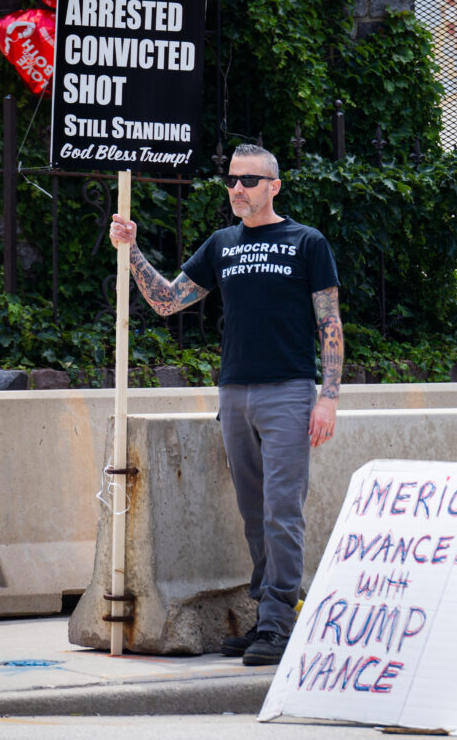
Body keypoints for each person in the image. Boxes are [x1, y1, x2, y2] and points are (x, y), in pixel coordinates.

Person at [108, 144, 344, 666]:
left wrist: (327, 397)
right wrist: (132, 252)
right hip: (234, 391)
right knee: (254, 514)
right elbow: (168, 300)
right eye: (232, 180)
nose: (238, 188)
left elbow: (329, 323)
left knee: (283, 511)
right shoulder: (222, 244)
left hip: (288, 392)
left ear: (274, 187)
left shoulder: (307, 242)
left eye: (250, 181)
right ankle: (267, 616)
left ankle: (280, 623)